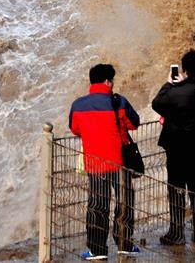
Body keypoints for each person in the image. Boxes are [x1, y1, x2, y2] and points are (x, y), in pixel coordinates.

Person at [69, 64, 141, 260]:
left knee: (97, 206)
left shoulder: (78, 105)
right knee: (124, 204)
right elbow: (134, 123)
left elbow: (75, 129)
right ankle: (125, 245)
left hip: (95, 163)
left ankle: (97, 250)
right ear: (108, 81)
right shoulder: (119, 102)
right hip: (120, 163)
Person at [151, 50, 195, 245]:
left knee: (176, 188)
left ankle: (177, 233)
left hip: (177, 146)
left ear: (185, 70)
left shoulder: (175, 91)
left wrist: (169, 84)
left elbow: (157, 104)